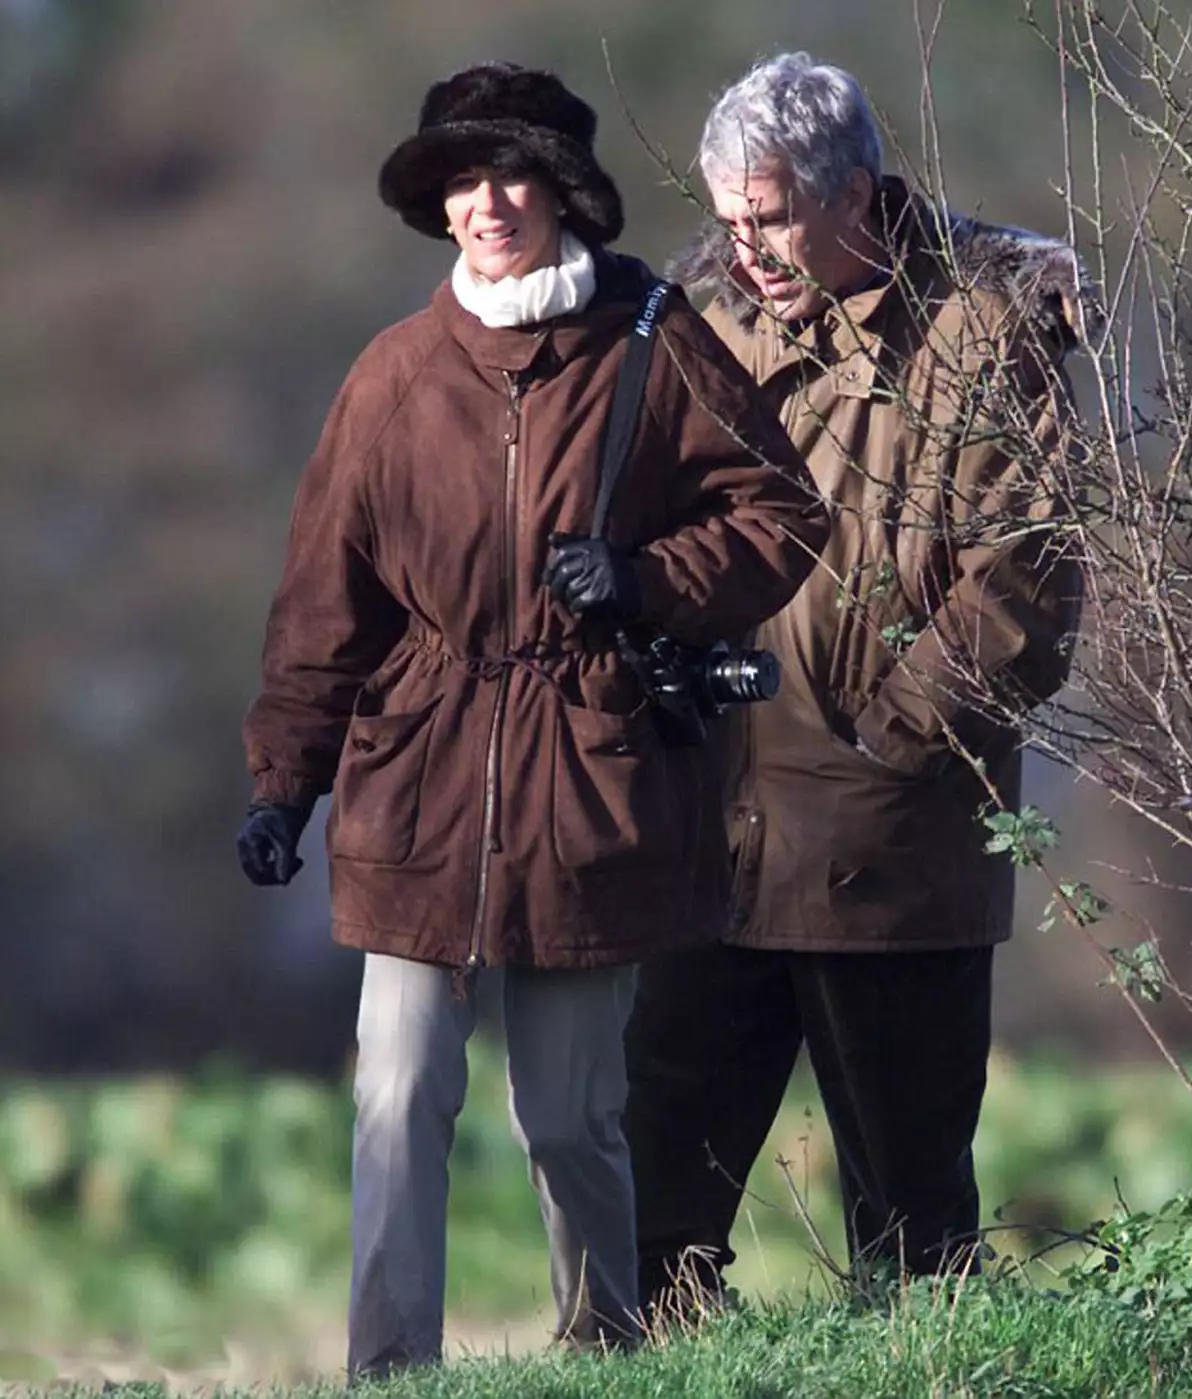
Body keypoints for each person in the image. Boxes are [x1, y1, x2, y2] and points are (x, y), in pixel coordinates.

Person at [235, 61, 828, 1375]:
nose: (487, 201)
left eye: (510, 174)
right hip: (415, 786)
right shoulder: (390, 376)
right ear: (439, 206)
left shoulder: (655, 339)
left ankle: (608, 1351)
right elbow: (321, 601)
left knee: (569, 1116)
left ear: (564, 191)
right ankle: (391, 1367)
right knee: (394, 1093)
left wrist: (647, 580)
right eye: (461, 178)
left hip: (593, 780)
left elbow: (787, 515)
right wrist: (286, 779)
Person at [623, 52, 1091, 1309]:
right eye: (727, 216)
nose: (746, 246)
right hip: (717, 813)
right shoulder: (698, 319)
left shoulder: (980, 329)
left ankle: (923, 1372)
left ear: (857, 194)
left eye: (769, 215)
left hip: (897, 833)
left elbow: (1025, 584)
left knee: (910, 1214)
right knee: (661, 1179)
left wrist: (888, 743)